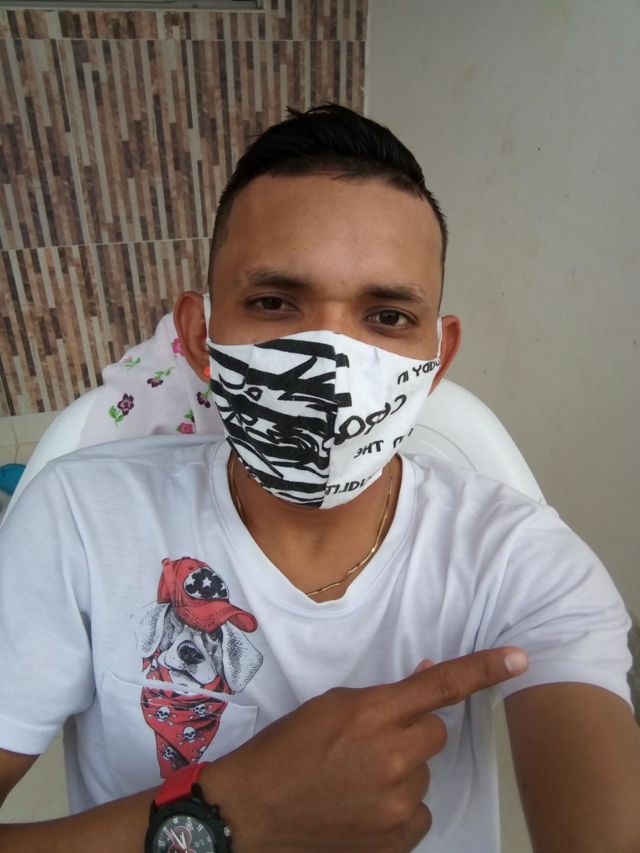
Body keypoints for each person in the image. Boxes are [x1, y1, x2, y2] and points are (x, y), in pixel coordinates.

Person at [0, 104, 639, 853]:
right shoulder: (79, 518)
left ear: (437, 358)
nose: (330, 367)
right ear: (200, 336)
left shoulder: (519, 556)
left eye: (387, 316)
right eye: (274, 303)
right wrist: (225, 814)